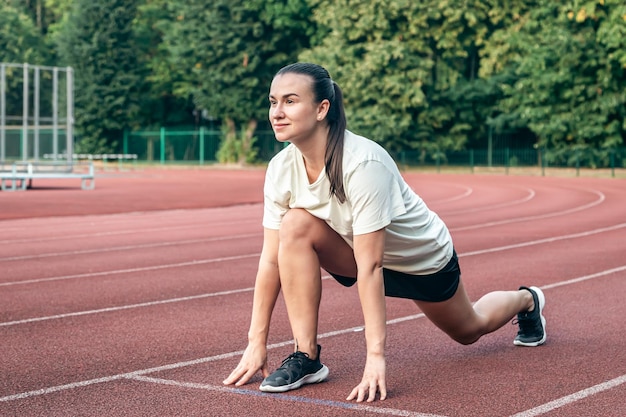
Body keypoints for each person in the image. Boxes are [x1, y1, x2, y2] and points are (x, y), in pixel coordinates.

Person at [222, 62, 547, 403]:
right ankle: (307, 357)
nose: (277, 112)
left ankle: (527, 299)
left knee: (470, 328)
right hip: (355, 253)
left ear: (322, 109)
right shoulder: (280, 168)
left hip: (420, 260)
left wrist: (375, 359)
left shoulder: (363, 164)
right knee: (295, 225)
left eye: (290, 101)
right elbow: (272, 260)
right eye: (273, 102)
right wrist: (256, 342)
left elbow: (372, 266)